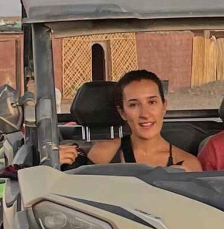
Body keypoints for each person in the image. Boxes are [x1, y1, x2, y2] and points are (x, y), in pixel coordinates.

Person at [59, 69, 202, 171]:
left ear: (164, 106)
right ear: (122, 113)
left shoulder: (188, 165)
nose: (145, 114)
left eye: (152, 102)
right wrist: (55, 166)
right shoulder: (104, 154)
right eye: (133, 105)